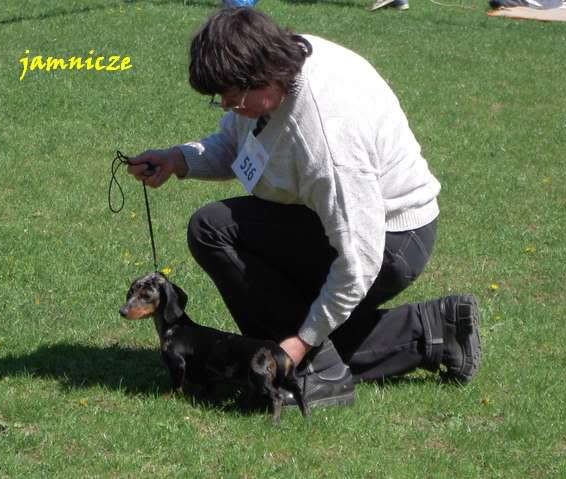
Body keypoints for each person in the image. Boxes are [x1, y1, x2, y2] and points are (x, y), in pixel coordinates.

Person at [127, 7, 481, 409]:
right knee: (212, 228)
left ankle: (320, 373)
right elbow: (238, 144)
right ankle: (437, 329)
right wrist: (178, 159)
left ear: (262, 77)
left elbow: (358, 263)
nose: (225, 105)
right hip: (331, 217)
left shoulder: (327, 138)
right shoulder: (279, 66)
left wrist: (299, 344)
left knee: (298, 326)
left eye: (231, 96)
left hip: (392, 239)